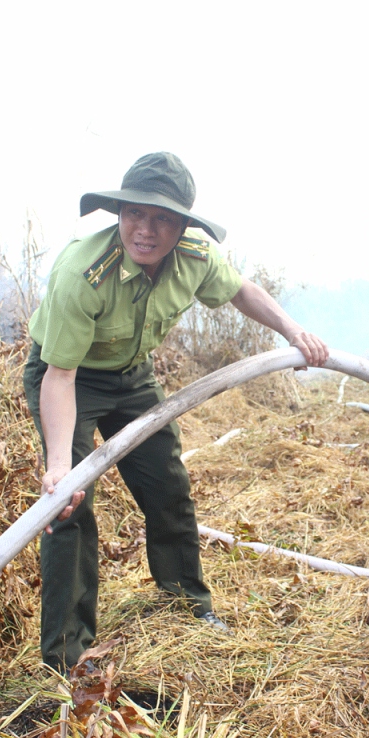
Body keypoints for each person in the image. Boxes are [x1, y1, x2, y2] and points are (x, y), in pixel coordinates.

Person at [24, 152, 328, 671]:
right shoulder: (83, 273)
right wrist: (59, 467)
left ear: (183, 224)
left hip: (133, 377)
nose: (146, 230)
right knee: (69, 507)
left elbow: (242, 291)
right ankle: (68, 656)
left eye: (163, 218)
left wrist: (292, 330)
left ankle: (188, 608)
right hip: (70, 376)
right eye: (135, 214)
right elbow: (60, 377)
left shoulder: (194, 257)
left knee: (168, 485)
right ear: (118, 213)